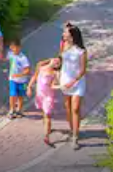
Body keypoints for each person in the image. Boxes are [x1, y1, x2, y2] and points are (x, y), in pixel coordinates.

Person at [60, 22, 88, 150]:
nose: (63, 34)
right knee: (67, 108)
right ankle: (72, 130)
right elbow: (60, 61)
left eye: (65, 32)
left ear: (72, 35)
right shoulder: (64, 45)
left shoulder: (81, 51)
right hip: (65, 80)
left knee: (75, 109)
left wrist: (73, 82)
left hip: (77, 82)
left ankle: (75, 137)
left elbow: (83, 70)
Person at [27, 56, 61, 145]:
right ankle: (47, 128)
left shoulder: (55, 73)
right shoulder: (41, 67)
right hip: (40, 95)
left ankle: (46, 137)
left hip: (48, 97)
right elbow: (34, 77)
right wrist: (29, 87)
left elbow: (53, 85)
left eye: (58, 63)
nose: (56, 62)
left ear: (58, 66)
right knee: (44, 113)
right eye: (56, 60)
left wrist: (61, 87)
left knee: (47, 114)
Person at [5, 39, 31, 119]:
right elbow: (6, 59)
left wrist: (18, 75)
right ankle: (12, 110)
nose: (15, 49)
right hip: (12, 80)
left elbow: (27, 70)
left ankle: (19, 110)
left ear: (20, 47)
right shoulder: (10, 54)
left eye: (16, 47)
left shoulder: (23, 58)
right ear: (10, 47)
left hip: (23, 81)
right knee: (12, 94)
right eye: (13, 47)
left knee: (21, 96)